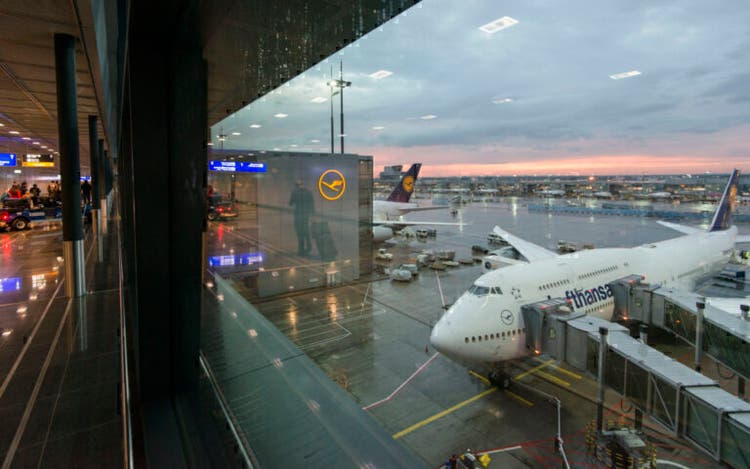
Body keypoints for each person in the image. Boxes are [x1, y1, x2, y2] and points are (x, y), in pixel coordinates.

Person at [288, 179, 314, 256]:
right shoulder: (308, 191)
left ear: (296, 186)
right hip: (306, 214)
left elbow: (290, 203)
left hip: (298, 214)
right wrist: (312, 213)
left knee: (299, 232)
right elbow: (312, 202)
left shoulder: (294, 192)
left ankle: (301, 249)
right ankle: (309, 244)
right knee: (306, 228)